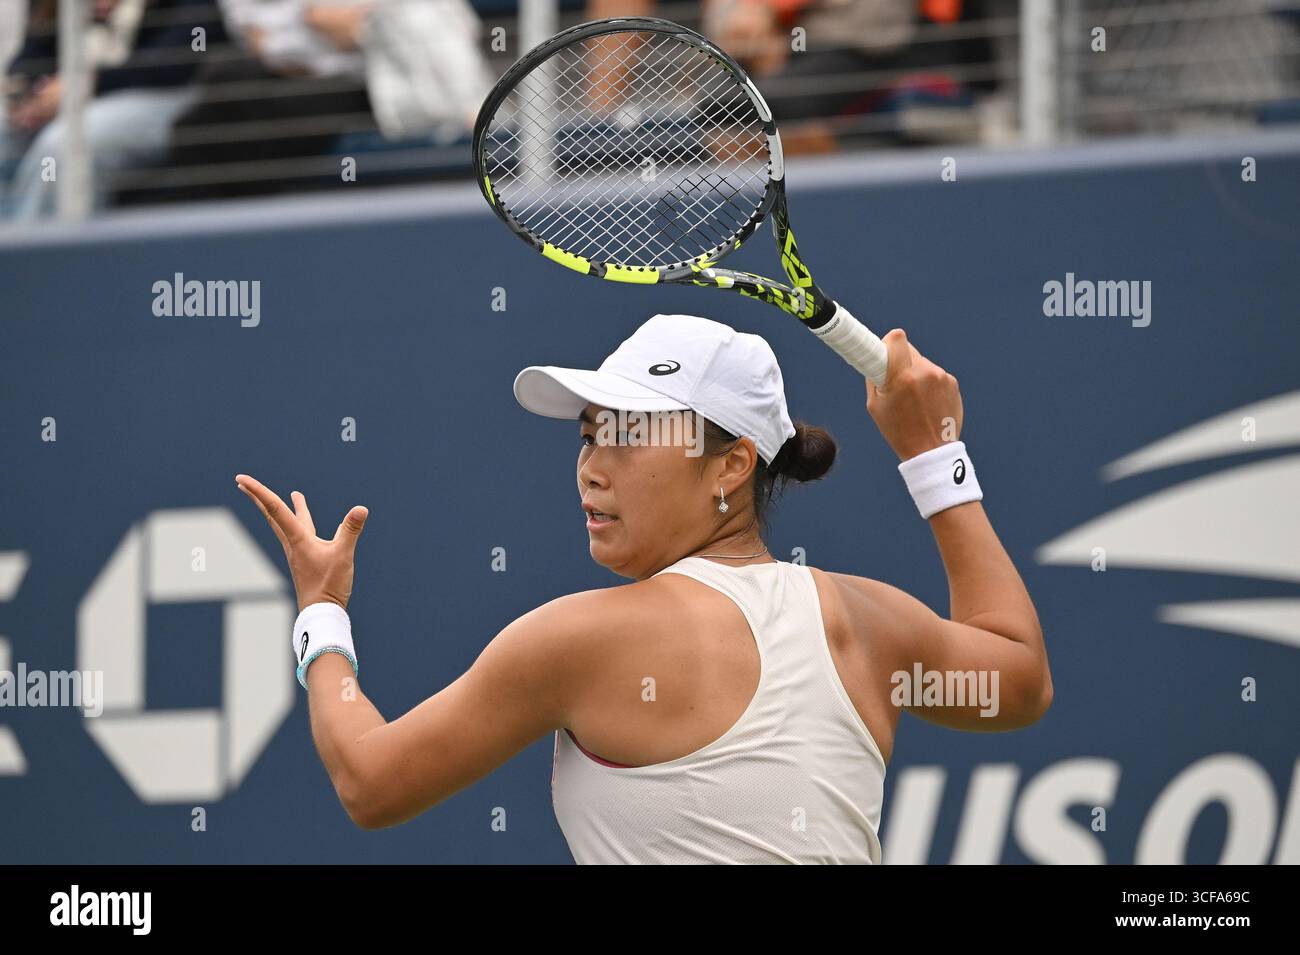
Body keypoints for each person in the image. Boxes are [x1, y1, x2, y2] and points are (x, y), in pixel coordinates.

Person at [235, 313, 1052, 864]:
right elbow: (1018, 680)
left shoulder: (581, 638)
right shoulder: (869, 622)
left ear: (732, 464)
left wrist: (322, 615)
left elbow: (370, 782)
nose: (592, 465)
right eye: (590, 434)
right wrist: (934, 456)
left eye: (629, 434)